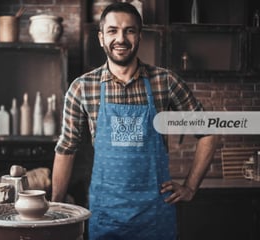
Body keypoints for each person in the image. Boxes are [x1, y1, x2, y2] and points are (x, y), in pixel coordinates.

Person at [51, 2, 218, 240]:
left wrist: (190, 186)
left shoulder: (165, 82)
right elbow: (66, 147)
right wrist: (56, 207)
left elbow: (209, 131)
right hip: (106, 214)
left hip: (155, 214)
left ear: (139, 36)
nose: (121, 38)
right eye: (112, 31)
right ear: (101, 37)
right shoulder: (81, 88)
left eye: (129, 30)